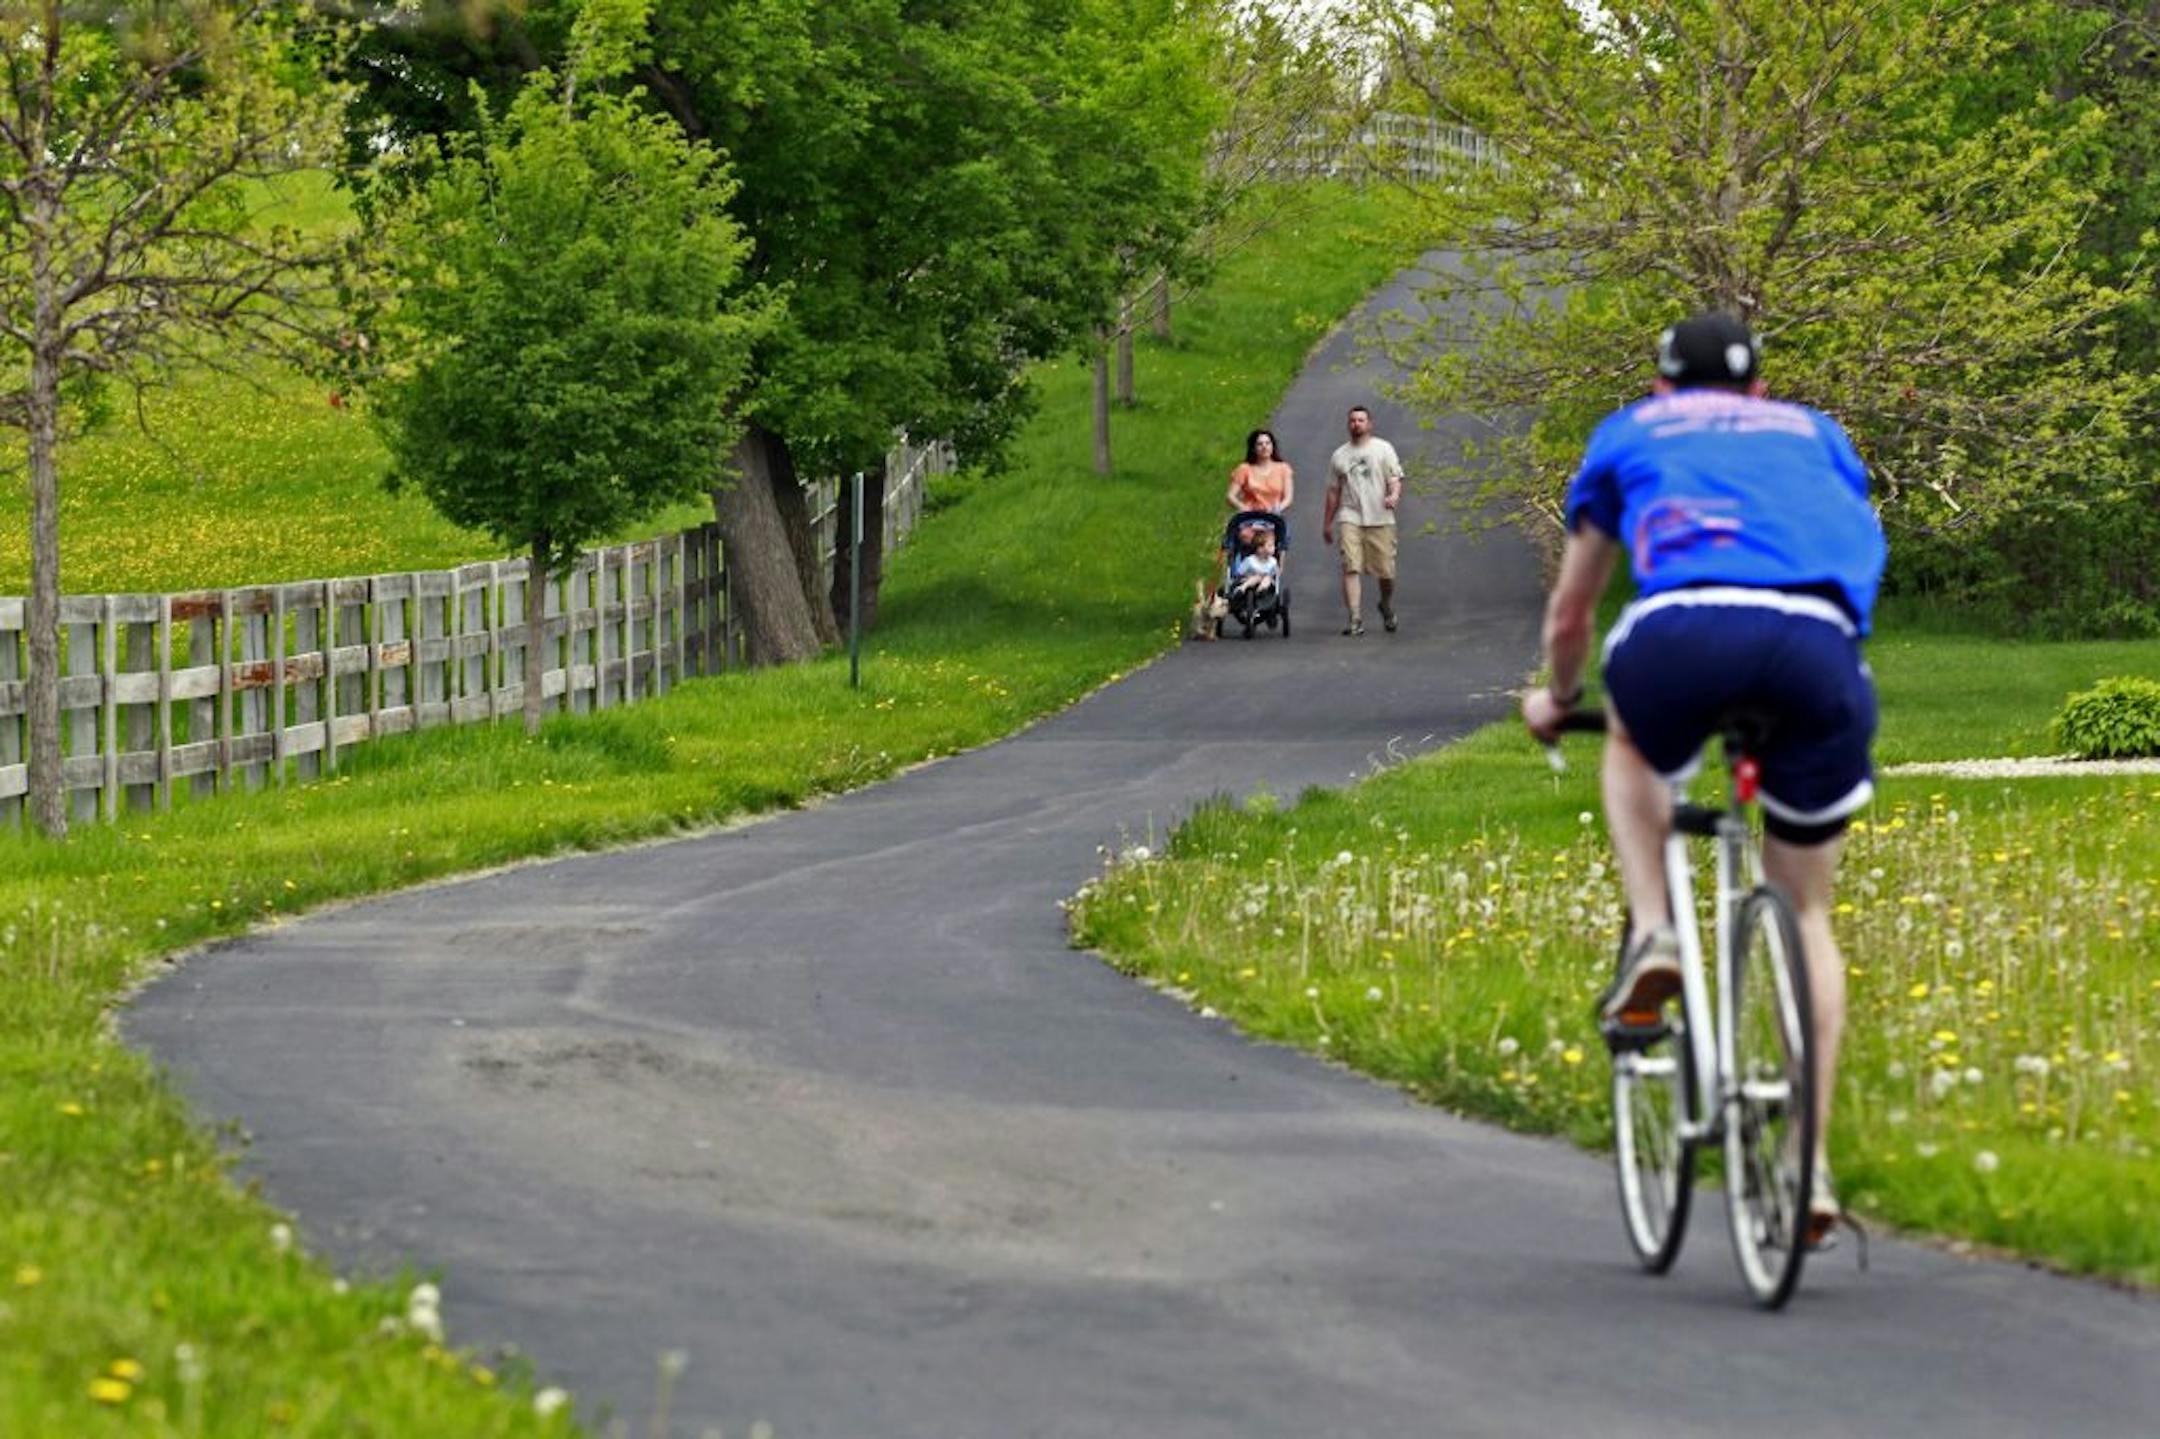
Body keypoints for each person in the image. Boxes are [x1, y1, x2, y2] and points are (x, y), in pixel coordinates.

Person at [1520, 311, 1888, 1239]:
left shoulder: (1632, 433)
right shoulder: (1819, 432)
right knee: (1807, 911)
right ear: (1760, 390)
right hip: (1818, 644)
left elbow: (1572, 612)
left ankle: (1656, 934)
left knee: (1631, 742)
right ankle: (1808, 1163)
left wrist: (1557, 696)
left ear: (1661, 388)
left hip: (1685, 628)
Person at [1319, 404, 1404, 636]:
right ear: (1349, 425)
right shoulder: (1340, 455)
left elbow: (1395, 478)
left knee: (1386, 572)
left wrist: (1393, 496)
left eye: (1361, 420)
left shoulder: (1383, 449)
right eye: (1353, 420)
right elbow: (1333, 492)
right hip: (1350, 516)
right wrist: (1327, 522)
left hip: (1380, 517)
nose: (1356, 424)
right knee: (1350, 566)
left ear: (1369, 424)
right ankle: (1355, 618)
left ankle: (1385, 604)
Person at [1227, 428, 1294, 518]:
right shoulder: (1244, 469)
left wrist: (1279, 508)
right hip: (1249, 517)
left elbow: (1288, 498)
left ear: (1272, 446)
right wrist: (1242, 507)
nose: (1264, 447)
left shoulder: (1283, 468)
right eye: (1260, 444)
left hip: (1272, 517)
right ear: (1253, 448)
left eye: (1267, 443)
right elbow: (1230, 496)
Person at [1231, 528, 1280, 594]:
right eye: (1270, 546)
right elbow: (1240, 572)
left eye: (1273, 545)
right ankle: (1242, 588)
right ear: (1260, 549)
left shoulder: (1273, 561)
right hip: (1248, 580)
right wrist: (1243, 578)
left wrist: (1270, 577)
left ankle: (1261, 590)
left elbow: (1274, 573)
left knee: (1267, 578)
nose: (1274, 548)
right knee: (1257, 577)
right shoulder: (1250, 560)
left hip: (1265, 582)